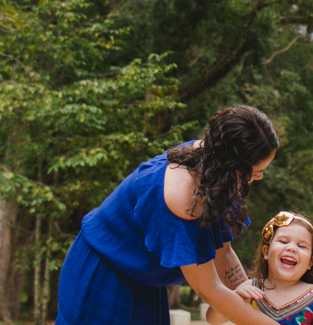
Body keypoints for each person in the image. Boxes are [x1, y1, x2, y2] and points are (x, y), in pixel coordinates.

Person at [55, 105, 283, 325]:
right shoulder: (183, 198)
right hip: (103, 276)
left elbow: (223, 253)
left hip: (142, 280)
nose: (259, 178)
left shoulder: (212, 167)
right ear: (231, 165)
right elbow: (209, 289)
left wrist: (254, 301)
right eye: (255, 173)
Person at [207, 211, 313, 325]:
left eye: (302, 246)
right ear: (266, 252)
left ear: (311, 262)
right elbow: (212, 319)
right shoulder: (250, 289)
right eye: (283, 242)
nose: (291, 248)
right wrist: (234, 296)